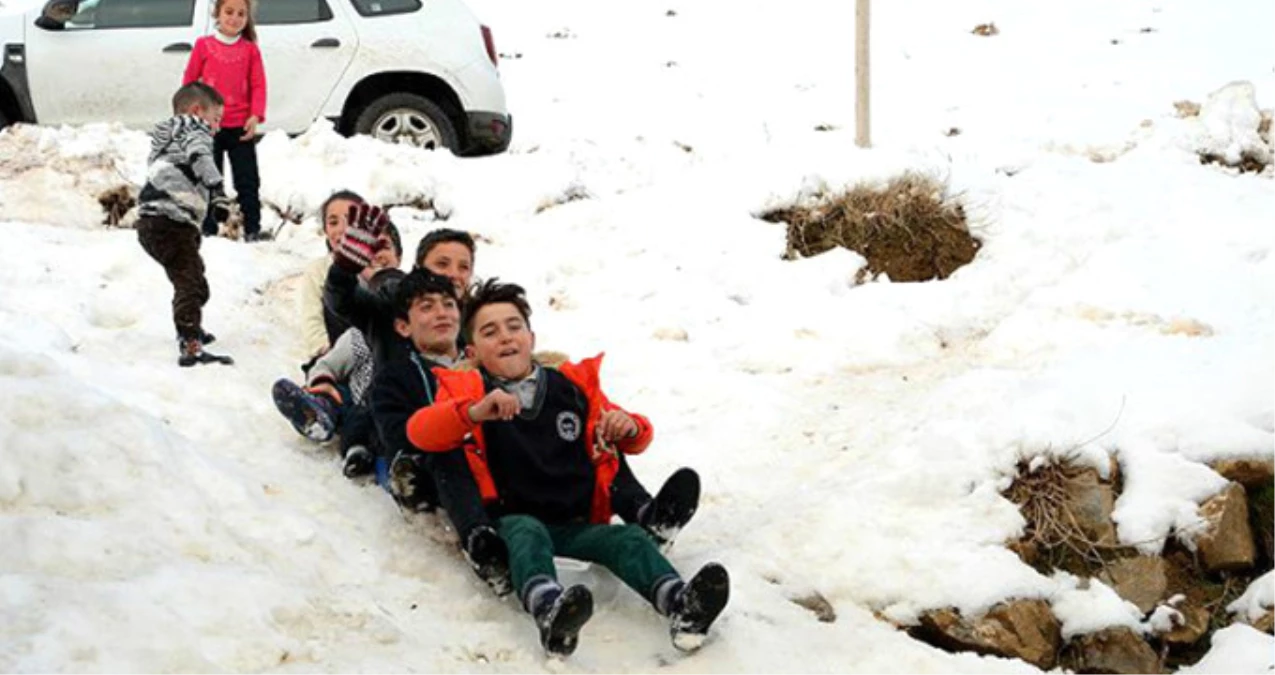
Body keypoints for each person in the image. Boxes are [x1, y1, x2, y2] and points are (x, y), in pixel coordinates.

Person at [405, 280, 729, 657]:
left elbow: (637, 438)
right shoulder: (469, 391)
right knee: (527, 534)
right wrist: (474, 412)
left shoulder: (570, 386)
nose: (506, 338)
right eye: (490, 332)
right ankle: (549, 611)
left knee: (627, 540)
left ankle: (680, 605)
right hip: (514, 520)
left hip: (575, 521)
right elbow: (420, 433)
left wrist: (629, 425)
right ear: (473, 351)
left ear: (531, 336)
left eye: (514, 326)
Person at [136, 82, 234, 367]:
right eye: (216, 119)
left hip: (156, 223)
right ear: (196, 111)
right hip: (170, 223)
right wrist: (217, 191)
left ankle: (193, 326)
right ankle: (189, 341)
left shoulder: (167, 139)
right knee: (189, 283)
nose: (216, 128)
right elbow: (201, 157)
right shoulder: (194, 129)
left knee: (196, 283)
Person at [183, 0, 269, 242]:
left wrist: (255, 115)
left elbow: (258, 84)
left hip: (240, 128)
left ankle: (252, 228)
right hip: (209, 129)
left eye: (241, 13)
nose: (234, 18)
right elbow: (190, 81)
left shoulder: (250, 49)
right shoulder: (204, 46)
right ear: (217, 14)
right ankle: (208, 229)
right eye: (229, 12)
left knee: (248, 181)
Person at [299, 190, 363, 368]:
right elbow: (312, 321)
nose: (342, 229)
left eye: (351, 221)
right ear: (326, 230)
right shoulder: (317, 271)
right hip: (334, 359)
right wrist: (330, 355)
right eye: (333, 222)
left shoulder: (376, 266)